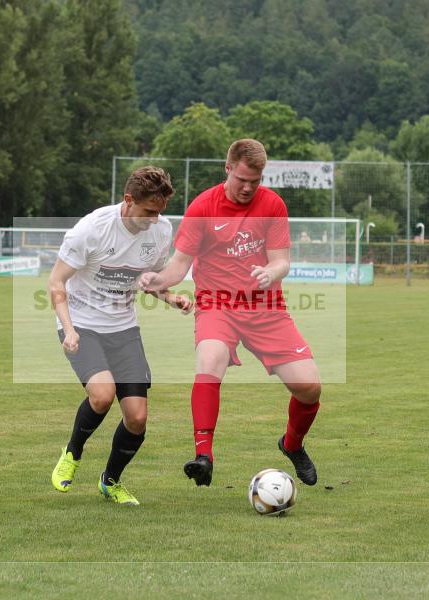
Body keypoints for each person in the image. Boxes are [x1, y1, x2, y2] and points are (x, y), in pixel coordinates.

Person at [139, 139, 321, 487]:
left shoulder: (273, 205)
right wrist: (156, 279)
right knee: (209, 360)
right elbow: (179, 266)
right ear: (228, 169)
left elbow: (282, 260)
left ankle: (292, 445)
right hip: (216, 304)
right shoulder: (203, 207)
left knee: (309, 389)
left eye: (256, 180)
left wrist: (271, 272)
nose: (248, 187)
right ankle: (203, 455)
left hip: (265, 308)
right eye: (242, 179)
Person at [49, 166, 191, 506]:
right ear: (128, 200)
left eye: (160, 212)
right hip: (81, 324)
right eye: (149, 212)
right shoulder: (91, 230)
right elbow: (56, 283)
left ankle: (110, 482)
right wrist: (68, 330)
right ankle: (72, 453)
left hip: (123, 327)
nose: (156, 220)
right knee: (102, 395)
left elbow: (150, 279)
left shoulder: (160, 230)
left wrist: (172, 298)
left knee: (137, 418)